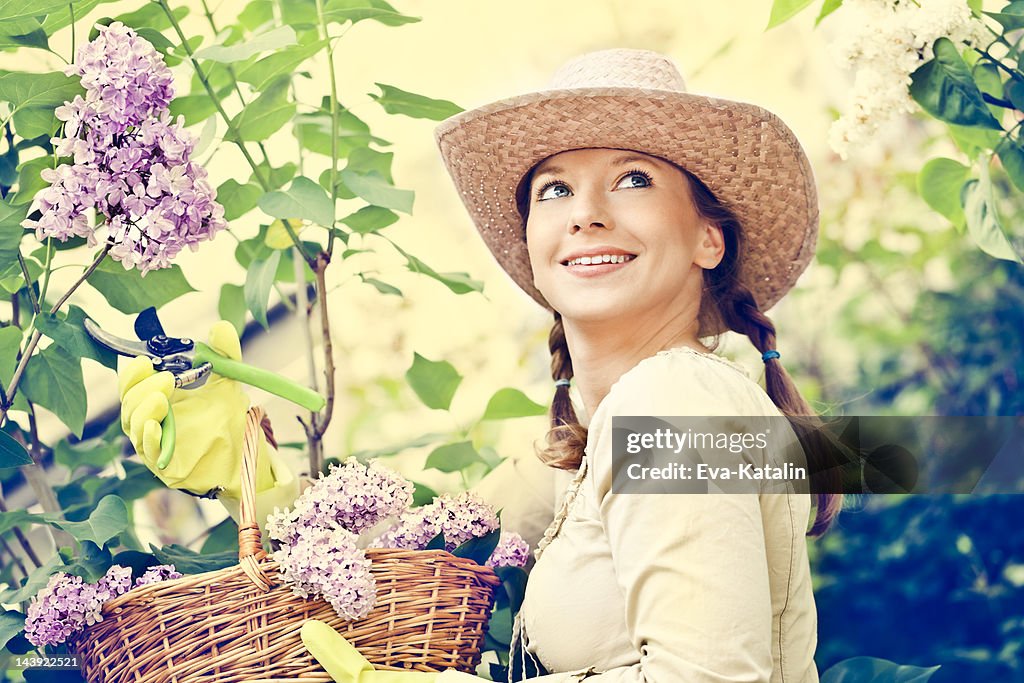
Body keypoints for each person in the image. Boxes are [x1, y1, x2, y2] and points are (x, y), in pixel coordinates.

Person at [121, 48, 839, 682]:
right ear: (532, 242)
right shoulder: (578, 458)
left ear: (708, 240)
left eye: (634, 178)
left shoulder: (674, 399)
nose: (585, 213)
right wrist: (247, 473)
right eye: (553, 188)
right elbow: (400, 548)